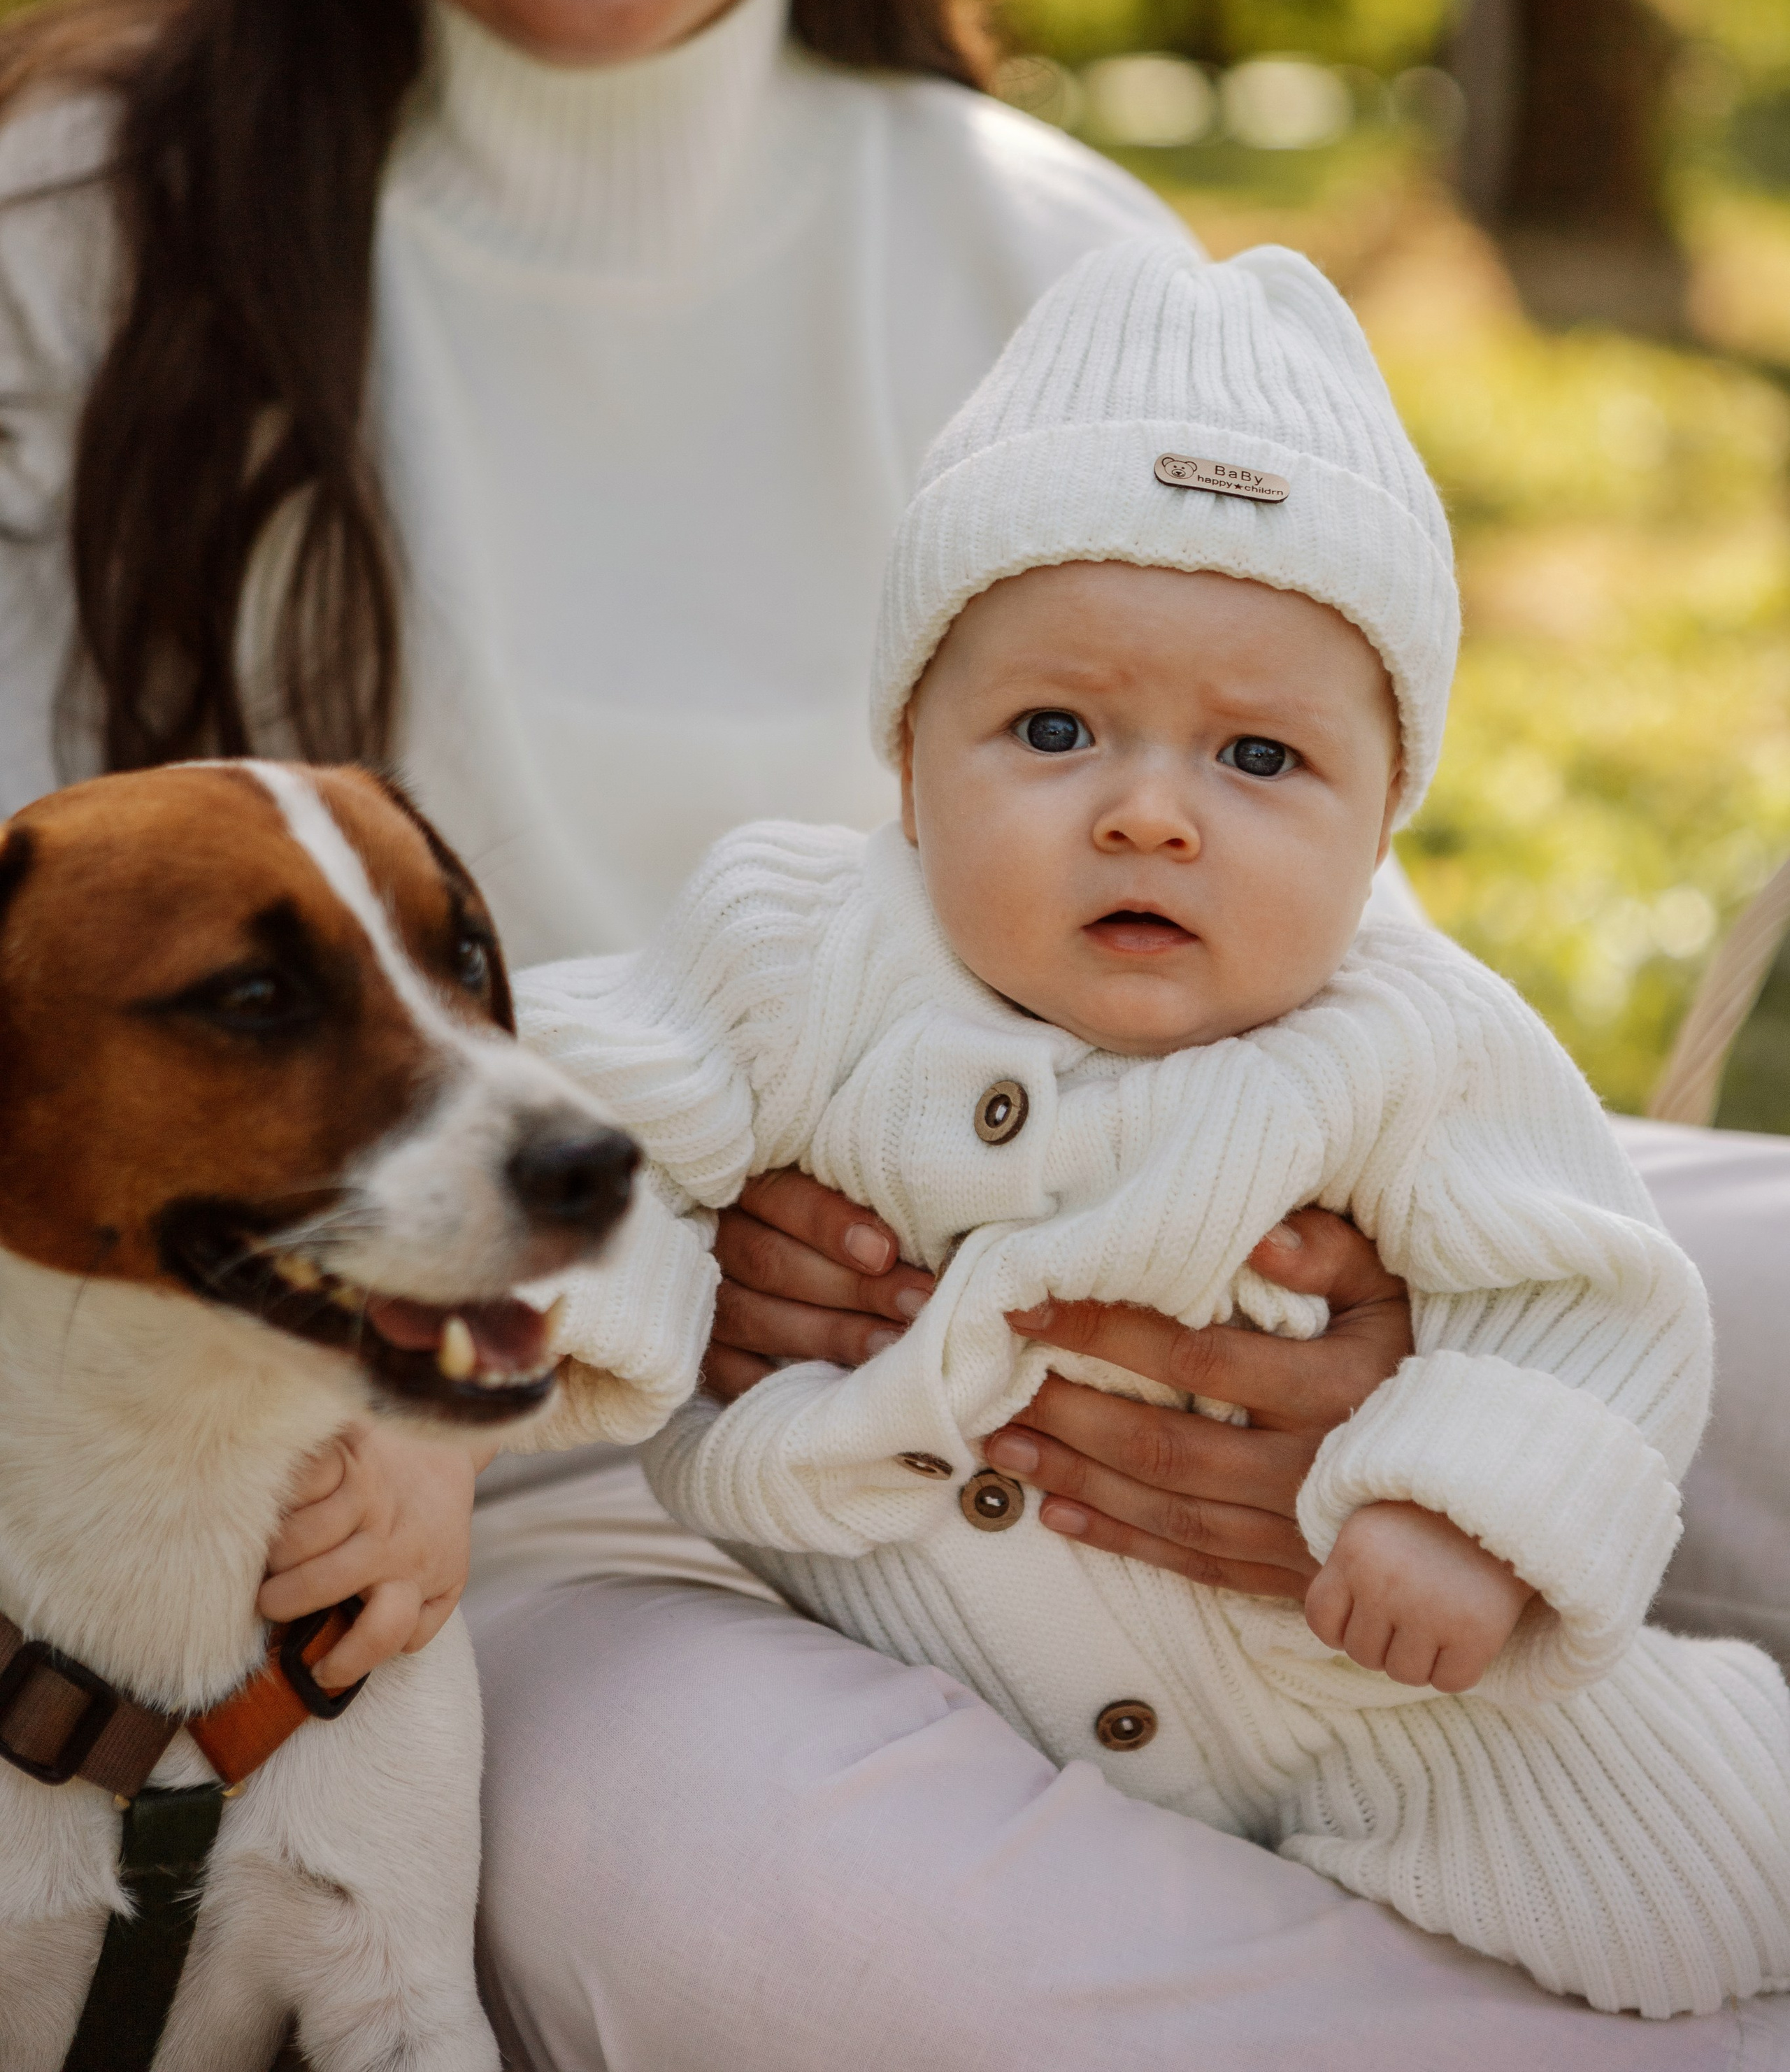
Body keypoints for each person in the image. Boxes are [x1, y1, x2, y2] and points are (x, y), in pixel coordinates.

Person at [0, 0, 1781, 2062]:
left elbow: (1314, 925)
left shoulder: (1056, 257)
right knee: (840, 1939)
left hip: (1128, 1248)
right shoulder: (74, 241)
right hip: (506, 1459)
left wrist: (1372, 1360)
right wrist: (578, 1316)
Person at [509, 235, 1790, 2018]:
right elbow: (576, 1114)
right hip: (923, 1672)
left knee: (1685, 1884)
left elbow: (1580, 1299)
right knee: (854, 1918)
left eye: (1256, 759)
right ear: (906, 768)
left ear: (1381, 823)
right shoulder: (791, 948)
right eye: (1052, 729)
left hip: (1367, 1710)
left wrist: (1469, 1518)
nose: (1147, 816)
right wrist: (598, 1311)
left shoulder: (1418, 1044)